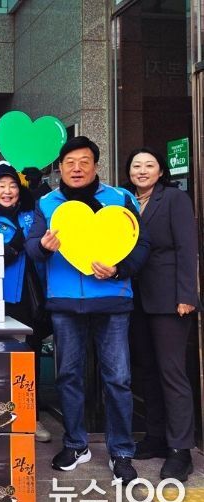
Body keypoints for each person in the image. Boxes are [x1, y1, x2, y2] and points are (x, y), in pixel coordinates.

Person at [24, 136, 149, 485]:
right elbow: (32, 247)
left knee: (118, 378)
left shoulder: (119, 199)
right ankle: (76, 444)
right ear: (60, 167)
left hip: (112, 301)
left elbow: (141, 244)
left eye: (84, 162)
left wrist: (120, 269)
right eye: (70, 162)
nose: (76, 168)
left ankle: (121, 451)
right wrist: (43, 247)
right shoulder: (47, 203)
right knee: (68, 376)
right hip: (65, 304)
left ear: (96, 165)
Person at [124, 147, 199, 481]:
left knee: (172, 372)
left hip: (170, 299)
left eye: (149, 165)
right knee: (148, 371)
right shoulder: (126, 202)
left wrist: (187, 295)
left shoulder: (174, 199)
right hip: (136, 298)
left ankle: (181, 449)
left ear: (161, 171)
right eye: (136, 166)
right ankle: (155, 436)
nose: (142, 171)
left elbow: (187, 247)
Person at [0, 163, 51, 443]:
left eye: (13, 185)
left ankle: (32, 417)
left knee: (30, 357)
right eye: (1, 186)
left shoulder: (33, 215)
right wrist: (13, 247)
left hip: (31, 296)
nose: (7, 191)